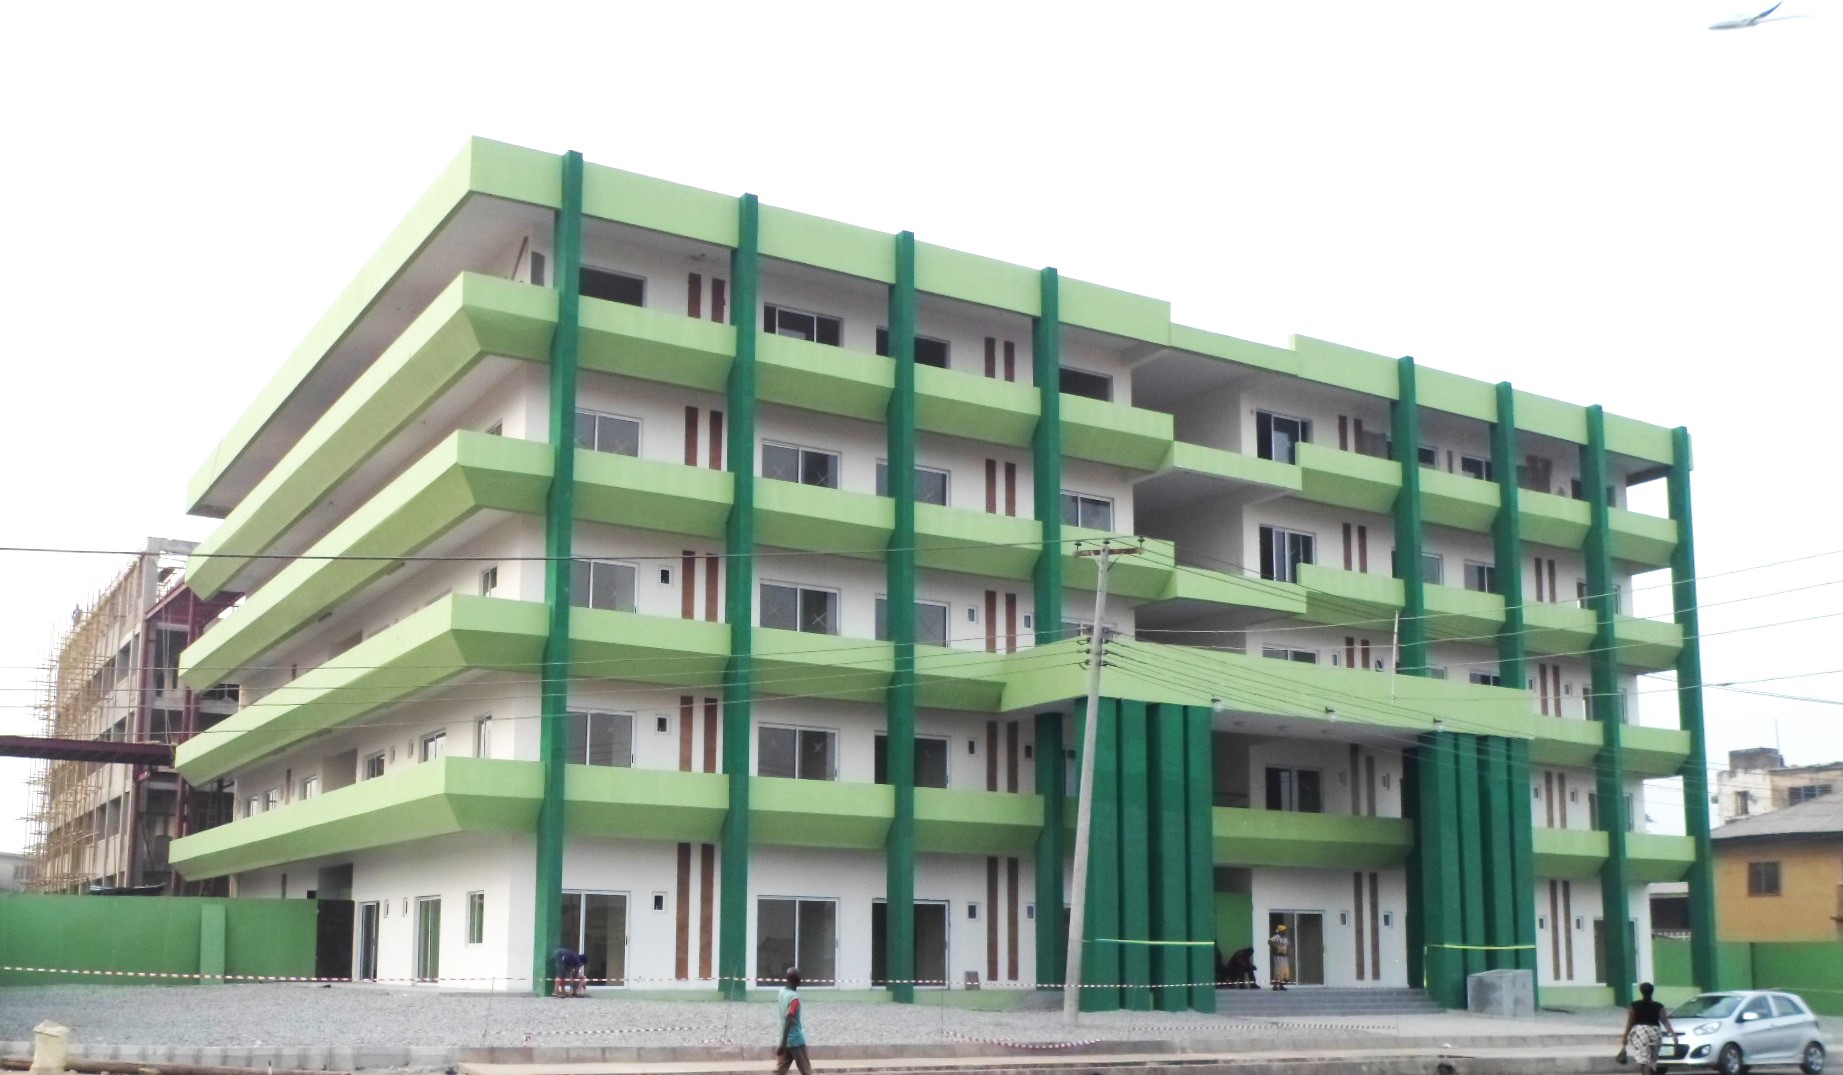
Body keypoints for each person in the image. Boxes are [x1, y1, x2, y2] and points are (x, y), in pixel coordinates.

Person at [1621, 981, 1677, 1074]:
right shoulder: (1658, 1006)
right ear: (1652, 991)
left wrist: (1625, 1035)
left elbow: (1630, 1021)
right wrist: (1673, 1034)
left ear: (1641, 991)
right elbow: (1665, 1021)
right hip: (1655, 1032)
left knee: (1643, 1061)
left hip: (1641, 1033)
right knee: (1652, 1060)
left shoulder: (1635, 1005)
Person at [773, 968, 811, 1075]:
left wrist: (783, 1043)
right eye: (799, 978)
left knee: (779, 1072)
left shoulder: (782, 993)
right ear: (797, 981)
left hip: (785, 1040)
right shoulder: (794, 999)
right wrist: (783, 1044)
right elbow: (789, 1018)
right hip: (796, 1041)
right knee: (806, 1071)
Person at [1267, 924, 1291, 991]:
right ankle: (1275, 986)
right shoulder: (1277, 937)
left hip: (1284, 956)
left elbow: (1287, 946)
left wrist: (1287, 953)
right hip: (1278, 956)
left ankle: (1281, 985)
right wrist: (1276, 948)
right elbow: (1270, 941)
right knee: (1278, 971)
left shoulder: (1285, 939)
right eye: (1284, 930)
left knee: (1285, 972)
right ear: (1280, 931)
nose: (1285, 932)